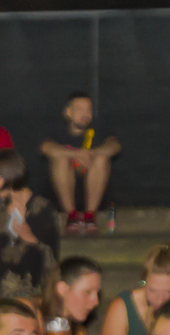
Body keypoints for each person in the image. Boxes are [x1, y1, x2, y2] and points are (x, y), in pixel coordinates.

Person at [0, 148, 61, 301]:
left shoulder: (43, 208)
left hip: (31, 289)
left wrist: (32, 240)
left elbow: (53, 257)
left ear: (9, 176)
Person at [41, 92, 121, 235]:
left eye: (88, 109)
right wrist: (76, 154)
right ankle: (72, 217)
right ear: (67, 112)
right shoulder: (57, 129)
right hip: (61, 196)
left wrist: (92, 154)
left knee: (102, 158)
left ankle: (90, 217)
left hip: (95, 195)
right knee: (60, 159)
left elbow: (114, 146)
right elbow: (46, 147)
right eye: (79, 109)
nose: (85, 113)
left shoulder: (99, 127)